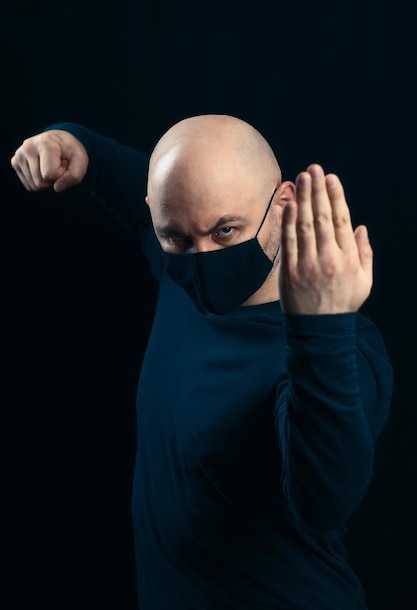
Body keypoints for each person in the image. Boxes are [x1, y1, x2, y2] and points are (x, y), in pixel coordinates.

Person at [11, 114, 393, 609]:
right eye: (176, 238)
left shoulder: (344, 349)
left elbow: (323, 500)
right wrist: (71, 143)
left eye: (227, 230)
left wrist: (322, 326)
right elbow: (114, 171)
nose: (202, 256)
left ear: (284, 204)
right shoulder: (179, 263)